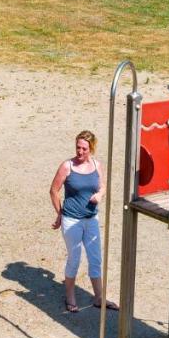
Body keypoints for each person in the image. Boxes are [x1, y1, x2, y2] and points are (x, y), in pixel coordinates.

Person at [49, 130, 115, 313]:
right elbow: (54, 190)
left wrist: (100, 195)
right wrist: (59, 213)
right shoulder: (67, 166)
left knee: (95, 258)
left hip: (91, 219)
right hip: (72, 220)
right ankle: (70, 296)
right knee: (74, 258)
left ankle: (99, 297)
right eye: (78, 147)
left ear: (91, 148)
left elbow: (103, 186)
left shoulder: (96, 165)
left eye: (84, 149)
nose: (80, 152)